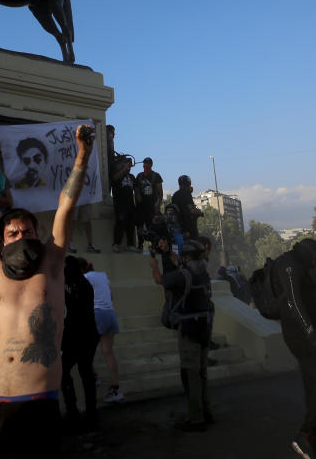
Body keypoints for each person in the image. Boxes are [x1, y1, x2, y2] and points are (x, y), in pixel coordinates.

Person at [0, 123, 93, 459]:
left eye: (26, 229)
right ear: (1, 239)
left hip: (39, 405)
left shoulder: (52, 265)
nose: (20, 235)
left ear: (38, 234)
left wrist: (82, 155)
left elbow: (65, 207)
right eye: (12, 232)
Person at [271, 238, 316, 459]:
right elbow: (294, 303)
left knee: (315, 386)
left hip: (305, 329)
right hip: (300, 332)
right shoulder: (290, 265)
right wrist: (312, 334)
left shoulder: (297, 264)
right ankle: (305, 435)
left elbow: (305, 301)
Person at [149, 241, 214, 431]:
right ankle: (206, 410)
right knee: (202, 373)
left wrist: (154, 266)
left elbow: (160, 280)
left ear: (185, 258)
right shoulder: (204, 275)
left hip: (189, 330)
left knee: (191, 374)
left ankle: (196, 417)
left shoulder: (182, 275)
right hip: (205, 327)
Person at [61, 255, 99, 428]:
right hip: (87, 335)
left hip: (77, 336)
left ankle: (74, 411)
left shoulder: (72, 285)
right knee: (85, 374)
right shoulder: (83, 283)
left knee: (66, 372)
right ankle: (89, 412)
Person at [84, 260, 125, 402]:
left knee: (85, 349)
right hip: (110, 314)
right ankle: (116, 388)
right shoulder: (103, 275)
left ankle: (94, 376)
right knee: (108, 352)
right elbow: (111, 297)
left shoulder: (85, 277)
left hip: (97, 314)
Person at [110, 155, 137, 252]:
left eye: (129, 165)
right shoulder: (117, 175)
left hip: (130, 204)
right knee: (120, 223)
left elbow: (136, 190)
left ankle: (131, 245)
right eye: (127, 164)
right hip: (120, 204)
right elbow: (114, 178)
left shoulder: (132, 177)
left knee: (131, 224)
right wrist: (123, 169)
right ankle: (116, 244)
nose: (128, 167)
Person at [134, 157, 163, 248]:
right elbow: (136, 188)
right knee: (140, 225)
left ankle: (154, 244)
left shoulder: (156, 175)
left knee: (152, 226)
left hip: (151, 206)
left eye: (148, 163)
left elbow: (160, 192)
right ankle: (140, 244)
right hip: (141, 206)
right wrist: (137, 195)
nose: (146, 165)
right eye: (145, 163)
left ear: (151, 164)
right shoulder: (139, 175)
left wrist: (158, 204)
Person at [171, 175, 201, 240]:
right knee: (196, 243)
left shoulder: (175, 195)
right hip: (188, 225)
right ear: (188, 184)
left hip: (177, 225)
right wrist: (199, 211)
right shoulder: (186, 194)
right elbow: (192, 210)